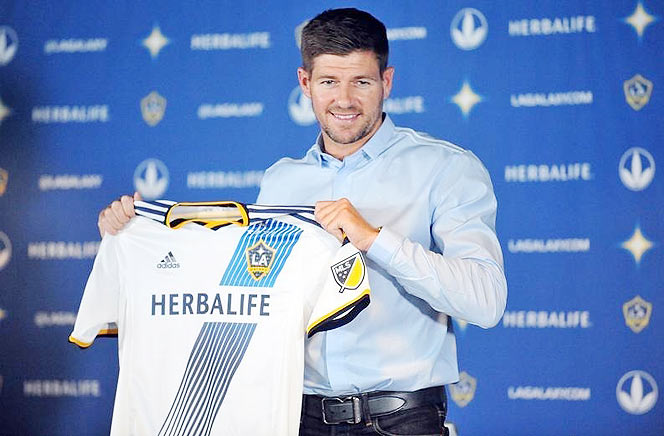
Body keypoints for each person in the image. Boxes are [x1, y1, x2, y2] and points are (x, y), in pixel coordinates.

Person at [98, 8, 506, 436]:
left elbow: (486, 301)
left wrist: (375, 240)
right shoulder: (281, 181)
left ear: (386, 81)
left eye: (362, 82)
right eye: (329, 82)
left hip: (401, 421)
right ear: (305, 83)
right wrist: (136, 234)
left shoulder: (446, 167)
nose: (344, 99)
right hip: (295, 418)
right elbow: (241, 293)